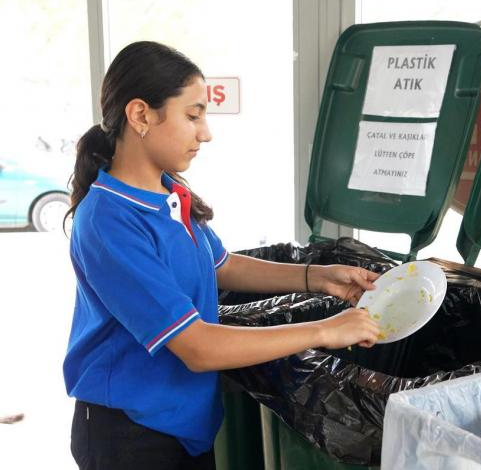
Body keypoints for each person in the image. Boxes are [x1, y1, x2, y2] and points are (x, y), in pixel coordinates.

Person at [63, 41, 381, 470]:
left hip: (186, 420)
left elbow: (223, 266)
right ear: (140, 115)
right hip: (130, 434)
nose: (205, 133)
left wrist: (318, 277)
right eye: (192, 115)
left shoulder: (170, 193)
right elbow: (197, 347)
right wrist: (325, 330)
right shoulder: (108, 220)